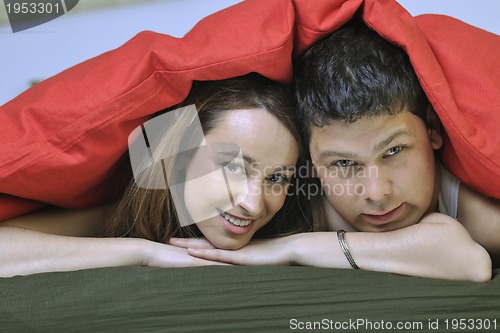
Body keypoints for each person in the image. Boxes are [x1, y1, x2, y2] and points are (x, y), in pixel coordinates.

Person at [179, 19, 500, 282]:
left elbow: (468, 261)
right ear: (309, 161)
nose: (376, 193)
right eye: (344, 163)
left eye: (393, 151)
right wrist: (151, 254)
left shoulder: (479, 212)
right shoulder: (287, 197)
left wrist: (290, 249)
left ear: (432, 128)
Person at [0, 73, 310, 277]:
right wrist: (145, 253)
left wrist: (286, 247)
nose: (253, 205)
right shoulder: (123, 209)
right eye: (233, 167)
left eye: (276, 178)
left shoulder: (302, 215)